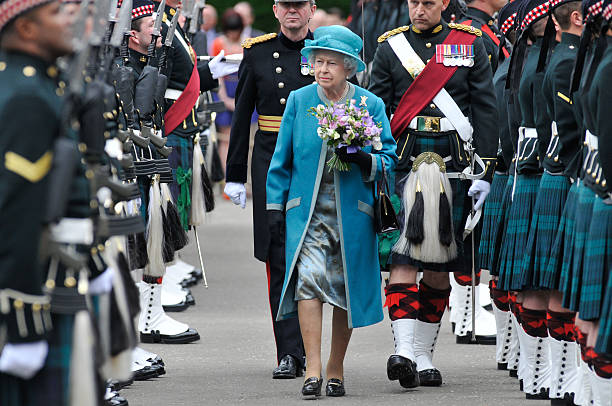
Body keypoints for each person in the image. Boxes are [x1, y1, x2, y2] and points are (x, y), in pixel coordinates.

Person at [369, 0, 498, 388]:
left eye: (427, 2)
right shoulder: (390, 47)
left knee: (441, 266)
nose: (418, 9)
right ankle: (404, 351)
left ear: (444, 4)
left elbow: (485, 108)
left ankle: (424, 354)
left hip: (453, 162)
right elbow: (379, 109)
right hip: (406, 164)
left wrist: (487, 168)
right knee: (403, 256)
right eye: (413, 3)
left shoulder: (469, 43)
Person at [267, 25, 397, 398]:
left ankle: (335, 367)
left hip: (351, 215)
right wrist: (275, 207)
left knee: (344, 290)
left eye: (331, 63)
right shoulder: (299, 99)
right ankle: (311, 368)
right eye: (317, 61)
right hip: (306, 214)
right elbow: (281, 160)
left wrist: (362, 158)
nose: (322, 69)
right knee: (308, 283)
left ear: (349, 67)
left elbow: (389, 160)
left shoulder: (370, 105)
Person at [224, 0, 317, 380]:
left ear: (311, 10)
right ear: (276, 10)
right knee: (277, 253)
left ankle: (316, 350)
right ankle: (290, 352)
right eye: (286, 6)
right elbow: (243, 112)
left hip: (314, 158)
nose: (293, 12)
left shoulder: (326, 52)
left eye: (300, 6)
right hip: (271, 159)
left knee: (315, 252)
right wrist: (234, 174)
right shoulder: (258, 52)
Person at [0, 0, 74, 403]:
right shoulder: (26, 94)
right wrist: (24, 318)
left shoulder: (37, 83)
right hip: (22, 287)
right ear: (26, 29)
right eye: (56, 13)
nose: (70, 19)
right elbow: (15, 210)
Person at [211, 9, 245, 172]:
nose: (233, 35)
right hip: (225, 88)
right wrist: (224, 98)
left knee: (245, 138)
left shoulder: (247, 42)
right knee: (225, 138)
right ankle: (226, 178)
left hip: (243, 89)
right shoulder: (218, 42)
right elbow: (217, 74)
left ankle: (245, 181)